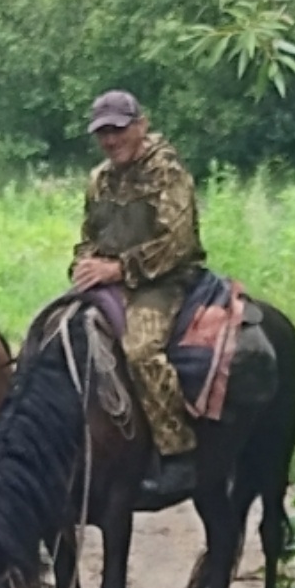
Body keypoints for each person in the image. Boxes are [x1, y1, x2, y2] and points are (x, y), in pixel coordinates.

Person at [69, 90, 205, 496]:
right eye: (103, 133)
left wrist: (118, 268)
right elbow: (89, 237)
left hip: (162, 281)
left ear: (140, 126)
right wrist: (84, 263)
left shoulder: (169, 173)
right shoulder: (100, 178)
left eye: (118, 130)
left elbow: (175, 243)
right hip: (108, 280)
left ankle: (175, 451)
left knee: (140, 350)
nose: (111, 141)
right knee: (55, 339)